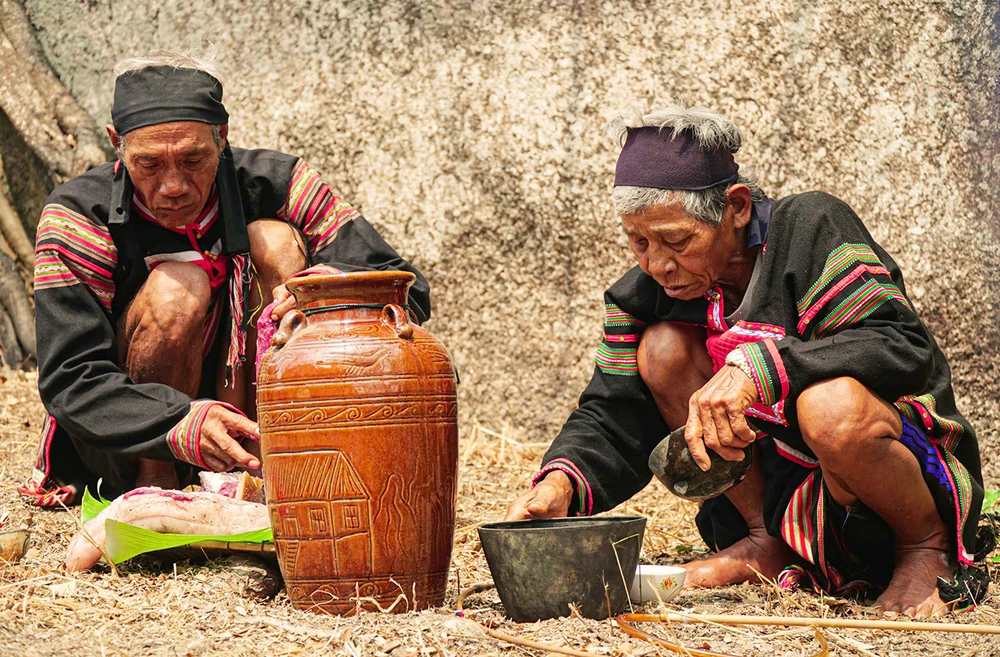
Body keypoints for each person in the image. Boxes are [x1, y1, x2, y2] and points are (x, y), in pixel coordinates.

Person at [505, 105, 985, 617]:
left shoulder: (808, 228)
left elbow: (899, 343)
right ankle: (765, 538)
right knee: (662, 350)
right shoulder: (642, 295)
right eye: (638, 241)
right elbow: (613, 410)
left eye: (677, 240)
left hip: (885, 484)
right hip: (784, 492)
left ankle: (926, 550)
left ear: (734, 207)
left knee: (831, 406)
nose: (657, 264)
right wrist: (561, 484)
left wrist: (762, 367)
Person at [20, 53, 430, 506]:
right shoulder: (79, 215)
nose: (173, 186)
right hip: (131, 438)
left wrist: (324, 292)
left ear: (222, 138)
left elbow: (401, 285)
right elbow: (70, 378)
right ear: (117, 144)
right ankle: (156, 487)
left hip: (251, 415)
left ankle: (267, 467)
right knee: (180, 287)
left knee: (273, 241)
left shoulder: (279, 182)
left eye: (193, 159)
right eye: (149, 165)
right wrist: (175, 421)